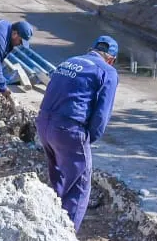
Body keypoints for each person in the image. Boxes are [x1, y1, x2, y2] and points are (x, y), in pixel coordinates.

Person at [36, 36, 120, 231]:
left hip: (44, 124)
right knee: (79, 185)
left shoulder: (70, 61)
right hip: (69, 130)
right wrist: (88, 138)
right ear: (111, 59)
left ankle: (49, 225)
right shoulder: (107, 71)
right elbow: (102, 114)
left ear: (91, 49)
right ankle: (66, 236)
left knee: (59, 181)